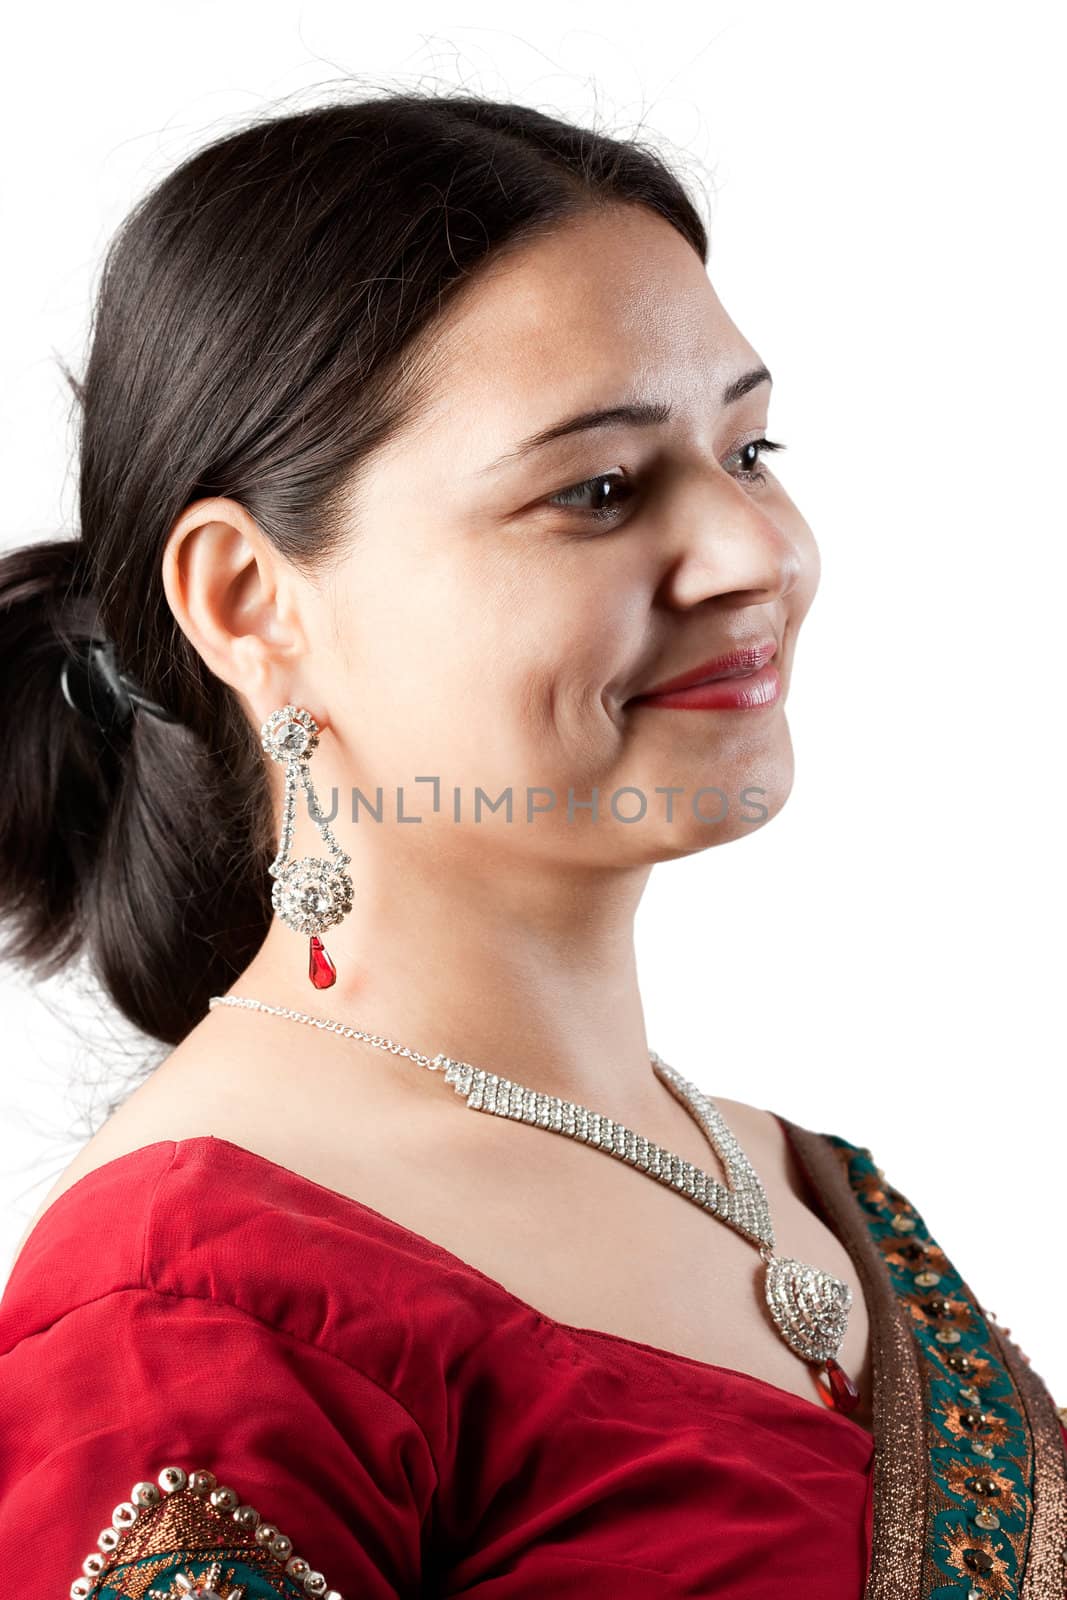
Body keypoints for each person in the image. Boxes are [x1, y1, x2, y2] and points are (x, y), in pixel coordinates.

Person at [0, 89, 1063, 1600]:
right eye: (601, 489)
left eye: (754, 453)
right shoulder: (192, 1309)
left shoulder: (808, 1185)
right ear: (248, 598)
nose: (759, 552)